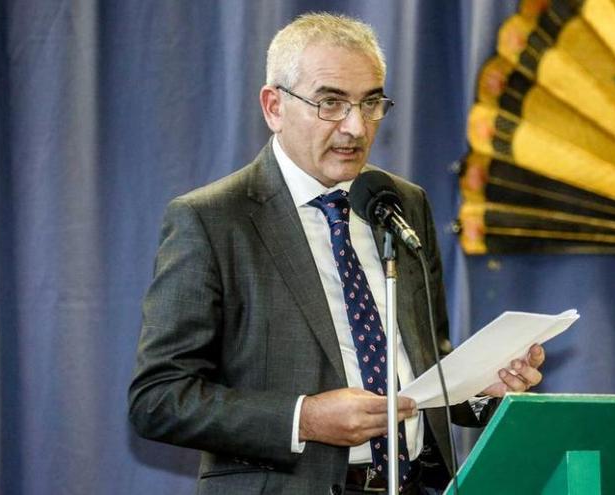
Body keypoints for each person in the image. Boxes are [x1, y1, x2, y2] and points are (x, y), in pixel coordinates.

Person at [128, 12, 545, 495]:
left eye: (370, 104)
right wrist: (303, 419)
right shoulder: (213, 220)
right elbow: (157, 400)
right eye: (331, 103)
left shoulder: (399, 202)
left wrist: (481, 389)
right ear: (274, 106)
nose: (355, 127)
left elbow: (424, 366)